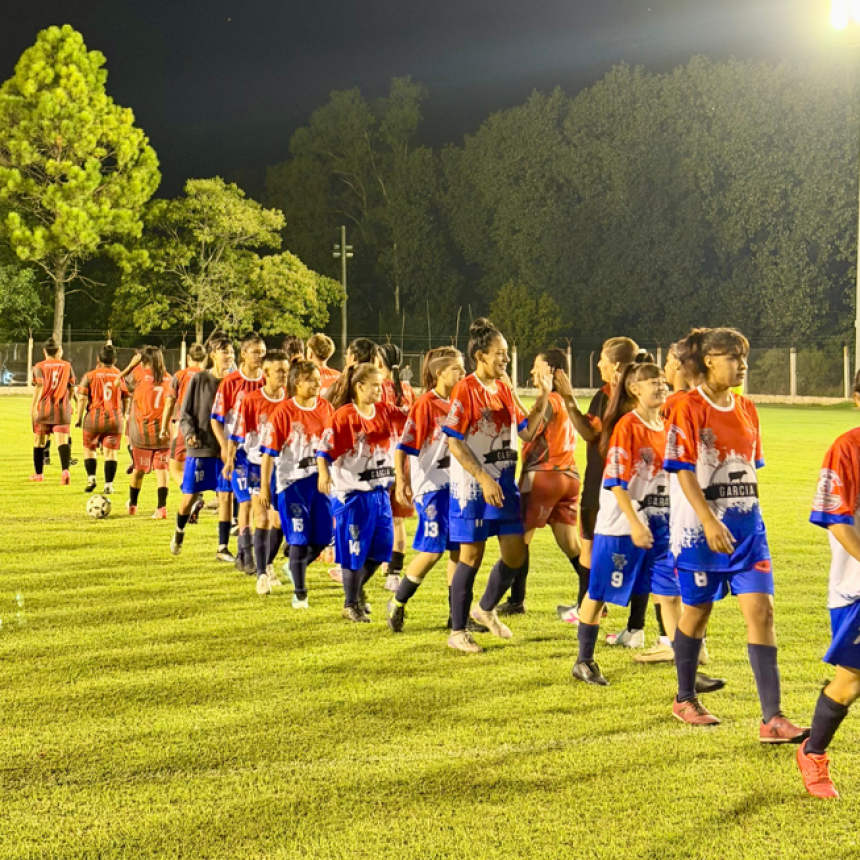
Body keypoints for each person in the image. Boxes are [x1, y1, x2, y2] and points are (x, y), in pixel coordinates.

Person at [664, 327, 807, 740]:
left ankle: (772, 719)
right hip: (699, 534)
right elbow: (683, 470)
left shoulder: (747, 408)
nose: (742, 364)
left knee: (763, 612)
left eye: (744, 357)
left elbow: (748, 469)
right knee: (697, 612)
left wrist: (750, 519)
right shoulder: (688, 407)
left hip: (748, 533)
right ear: (709, 360)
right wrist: (709, 520)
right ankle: (685, 698)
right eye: (733, 357)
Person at [442, 318, 547, 647]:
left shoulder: (503, 388)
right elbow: (454, 440)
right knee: (471, 556)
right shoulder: (466, 388)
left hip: (504, 485)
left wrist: (544, 397)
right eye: (499, 353)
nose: (506, 358)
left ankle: (485, 609)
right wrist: (483, 478)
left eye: (506, 353)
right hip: (474, 489)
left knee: (515, 556)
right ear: (480, 356)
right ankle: (458, 632)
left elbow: (527, 431)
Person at [555, 338, 645, 640]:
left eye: (603, 359)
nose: (598, 364)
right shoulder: (642, 394)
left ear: (615, 364)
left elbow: (589, 432)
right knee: (641, 554)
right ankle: (635, 627)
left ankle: (588, 608)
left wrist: (568, 398)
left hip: (603, 484)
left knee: (590, 547)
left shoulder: (607, 395)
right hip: (638, 484)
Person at [797, 372, 860, 797]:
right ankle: (813, 752)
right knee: (851, 681)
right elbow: (837, 521)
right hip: (856, 588)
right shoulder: (846, 449)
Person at [389, 347, 470, 647]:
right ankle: (397, 601)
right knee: (433, 550)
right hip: (432, 488)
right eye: (457, 368)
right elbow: (404, 445)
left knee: (459, 550)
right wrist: (401, 480)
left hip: (458, 487)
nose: (463, 373)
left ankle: (455, 615)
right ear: (440, 373)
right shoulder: (425, 404)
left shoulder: (462, 403)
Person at [316, 362, 405, 622]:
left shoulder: (385, 411)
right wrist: (323, 474)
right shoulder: (345, 416)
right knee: (354, 552)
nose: (380, 390)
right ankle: (351, 603)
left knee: (381, 550)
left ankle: (354, 592)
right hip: (353, 495)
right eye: (375, 386)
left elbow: (412, 419)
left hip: (380, 494)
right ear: (359, 386)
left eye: (381, 385)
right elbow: (324, 450)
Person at [499, 349, 582, 615]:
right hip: (568, 476)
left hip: (543, 476)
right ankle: (592, 601)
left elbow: (528, 430)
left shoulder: (548, 400)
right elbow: (536, 421)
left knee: (519, 538)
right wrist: (514, 396)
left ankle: (516, 601)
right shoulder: (562, 400)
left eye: (538, 366)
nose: (533, 371)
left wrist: (509, 397)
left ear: (552, 371)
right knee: (571, 545)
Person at [261, 360, 334, 608]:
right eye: (310, 379)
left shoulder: (326, 408)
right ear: (297, 382)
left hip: (319, 481)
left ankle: (294, 566)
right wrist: (265, 487)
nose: (317, 383)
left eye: (318, 379)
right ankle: (300, 594)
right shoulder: (283, 412)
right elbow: (269, 454)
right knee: (298, 537)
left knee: (324, 537)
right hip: (291, 484)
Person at [169, 335, 236, 560]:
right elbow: (185, 413)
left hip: (225, 450)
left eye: (232, 352)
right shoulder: (199, 379)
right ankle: (179, 531)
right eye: (225, 351)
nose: (229, 356)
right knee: (189, 496)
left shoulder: (235, 382)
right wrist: (190, 435)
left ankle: (222, 547)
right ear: (213, 354)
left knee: (226, 496)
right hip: (201, 447)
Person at [231, 349, 289, 596]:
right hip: (256, 465)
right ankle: (262, 574)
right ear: (265, 373)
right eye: (279, 371)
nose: (284, 376)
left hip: (284, 467)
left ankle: (267, 562)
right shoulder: (251, 400)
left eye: (286, 371)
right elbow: (237, 433)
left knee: (280, 521)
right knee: (262, 518)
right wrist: (229, 459)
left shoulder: (291, 401)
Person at [211, 332, 266, 573]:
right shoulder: (231, 382)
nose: (260, 356)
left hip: (263, 453)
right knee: (245, 502)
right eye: (255, 352)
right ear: (243, 353)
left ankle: (250, 554)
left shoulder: (268, 381)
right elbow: (216, 418)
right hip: (239, 452)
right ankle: (246, 552)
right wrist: (225, 447)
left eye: (263, 352)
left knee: (262, 504)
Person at [377, 342, 416, 592]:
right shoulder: (408, 389)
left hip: (381, 459)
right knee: (397, 520)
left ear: (378, 362)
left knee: (375, 517)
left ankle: (358, 564)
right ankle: (393, 573)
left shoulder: (377, 387)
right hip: (405, 461)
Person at [124, 346, 173, 518]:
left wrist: (130, 366)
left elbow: (118, 382)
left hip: (142, 432)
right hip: (164, 432)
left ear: (143, 361)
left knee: (138, 469)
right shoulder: (169, 378)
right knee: (162, 469)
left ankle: (133, 504)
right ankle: (161, 507)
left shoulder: (138, 374)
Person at [75, 343, 128, 494]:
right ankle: (108, 485)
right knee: (110, 453)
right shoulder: (119, 376)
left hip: (94, 418)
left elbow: (82, 398)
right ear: (115, 360)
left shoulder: (90, 376)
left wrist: (79, 418)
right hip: (114, 419)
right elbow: (126, 397)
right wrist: (124, 414)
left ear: (98, 359)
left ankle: (91, 478)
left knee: (89, 448)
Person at [30, 337, 76, 484]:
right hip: (62, 409)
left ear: (45, 351)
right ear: (58, 351)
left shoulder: (39, 366)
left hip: (43, 409)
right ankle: (65, 471)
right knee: (62, 442)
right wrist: (69, 401)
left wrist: (33, 406)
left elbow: (39, 386)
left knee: (39, 442)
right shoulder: (67, 366)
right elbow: (72, 387)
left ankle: (39, 475)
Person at [166, 343, 207, 492]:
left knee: (175, 468)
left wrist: (164, 425)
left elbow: (170, 402)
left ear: (188, 358)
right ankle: (219, 499)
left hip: (185, 427)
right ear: (205, 358)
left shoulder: (179, 375)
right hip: (207, 428)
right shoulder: (211, 376)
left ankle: (193, 495)